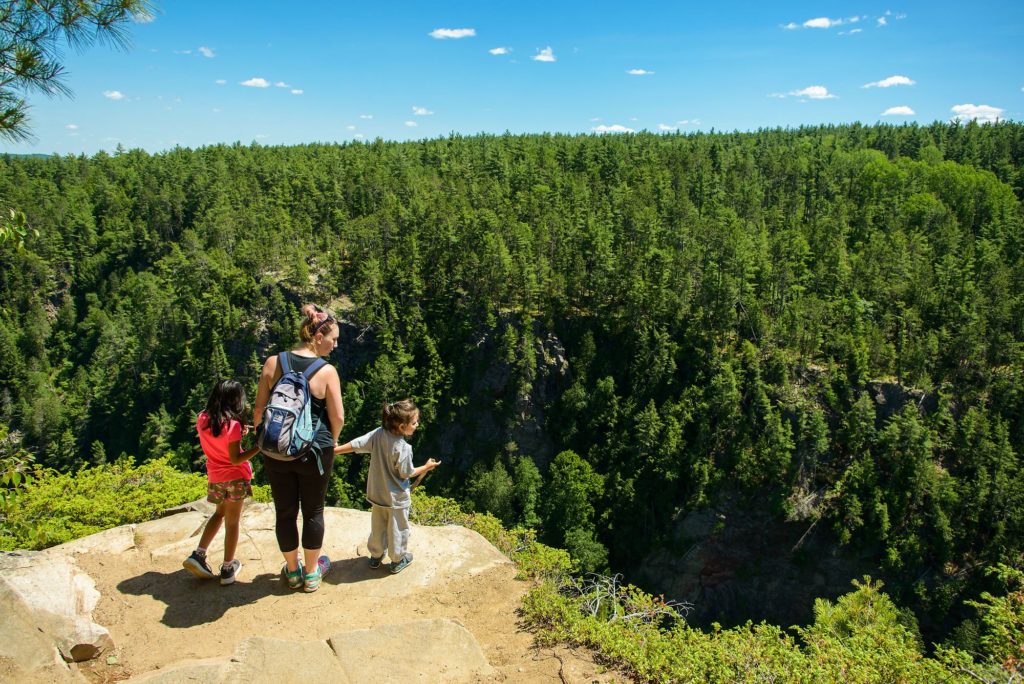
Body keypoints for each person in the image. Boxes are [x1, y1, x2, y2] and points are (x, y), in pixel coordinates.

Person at [252, 304, 344, 592]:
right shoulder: (327, 371)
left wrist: (262, 438)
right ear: (318, 337)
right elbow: (337, 417)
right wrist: (334, 439)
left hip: (275, 448)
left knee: (285, 511)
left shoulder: (272, 363)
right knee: (313, 510)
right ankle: (313, 572)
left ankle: (292, 572)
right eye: (333, 338)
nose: (336, 344)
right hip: (314, 452)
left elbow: (258, 409)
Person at [334, 399, 440, 574]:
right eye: (414, 423)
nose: (417, 425)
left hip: (377, 494)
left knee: (378, 526)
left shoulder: (378, 434)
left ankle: (375, 556)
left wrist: (334, 451)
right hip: (396, 499)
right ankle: (397, 559)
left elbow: (356, 444)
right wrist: (427, 467)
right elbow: (407, 473)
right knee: (398, 529)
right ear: (401, 427)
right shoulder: (403, 448)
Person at [183, 380, 260, 585]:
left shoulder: (203, 419)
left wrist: (240, 431)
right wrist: (258, 447)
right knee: (232, 522)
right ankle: (227, 568)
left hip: (215, 476)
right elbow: (235, 459)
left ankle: (199, 554)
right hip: (235, 477)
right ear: (235, 400)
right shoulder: (233, 425)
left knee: (218, 514)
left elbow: (218, 435)